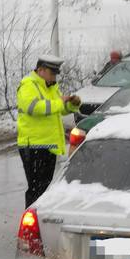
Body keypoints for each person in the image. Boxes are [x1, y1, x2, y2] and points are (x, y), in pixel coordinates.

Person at [16, 55, 81, 208]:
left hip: (48, 146)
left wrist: (72, 105)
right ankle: (30, 224)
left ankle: (37, 219)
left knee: (43, 189)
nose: (54, 76)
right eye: (52, 73)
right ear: (40, 70)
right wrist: (59, 102)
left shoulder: (51, 88)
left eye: (55, 73)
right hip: (33, 146)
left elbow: (59, 109)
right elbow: (34, 108)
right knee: (36, 189)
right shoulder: (28, 85)